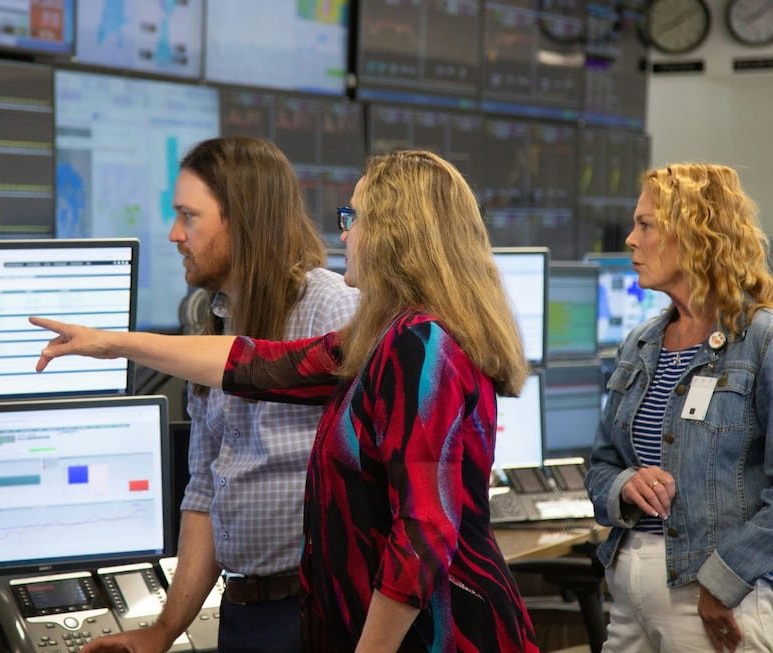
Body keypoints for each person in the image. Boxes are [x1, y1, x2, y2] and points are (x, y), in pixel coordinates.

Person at [31, 150, 540, 652]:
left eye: (353, 217)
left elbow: (423, 532)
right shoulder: (384, 338)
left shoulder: (423, 345)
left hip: (443, 632)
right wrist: (111, 342)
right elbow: (259, 364)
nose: (343, 233)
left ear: (393, 232)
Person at [85, 137, 358, 653]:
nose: (174, 234)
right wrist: (164, 630)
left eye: (190, 217)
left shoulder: (329, 310)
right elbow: (206, 491)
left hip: (316, 611)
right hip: (243, 614)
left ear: (243, 220)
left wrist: (112, 344)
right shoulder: (212, 322)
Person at [586, 163, 773, 652]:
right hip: (629, 594)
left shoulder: (761, 342)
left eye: (645, 225)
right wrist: (625, 485)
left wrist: (722, 581)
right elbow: (603, 465)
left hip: (717, 600)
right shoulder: (640, 343)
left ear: (695, 236)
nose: (630, 238)